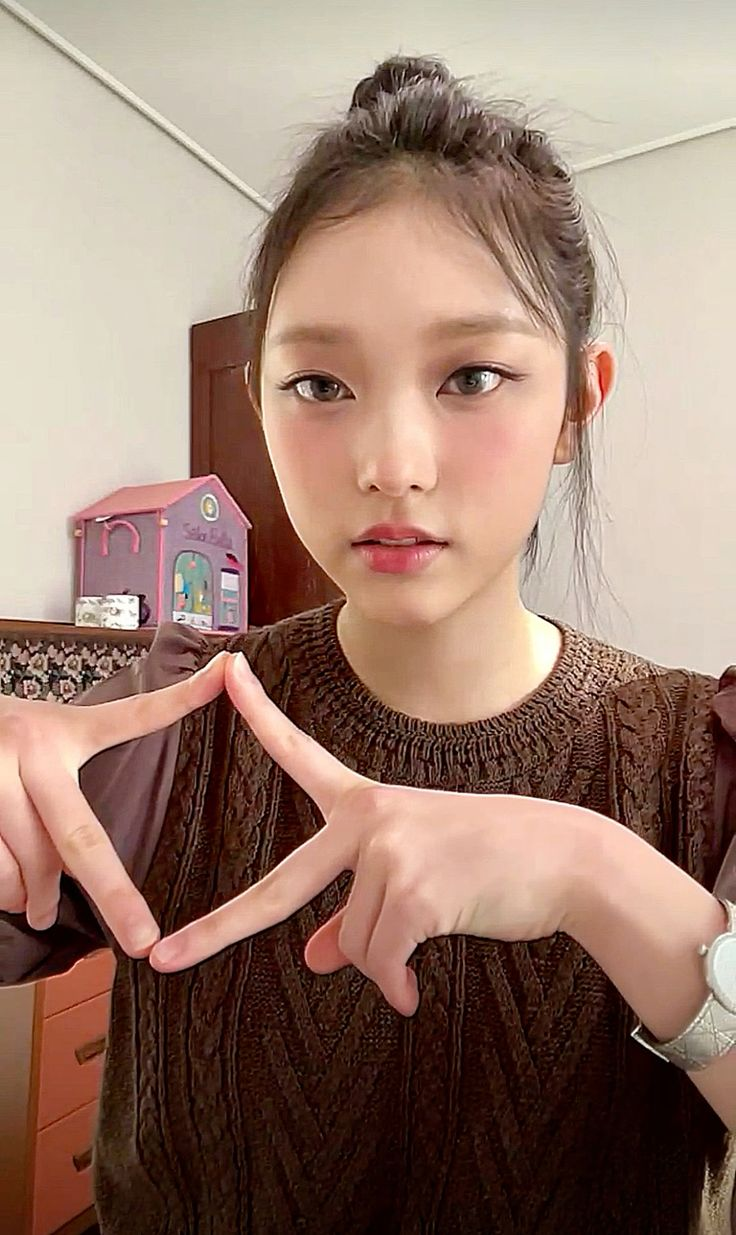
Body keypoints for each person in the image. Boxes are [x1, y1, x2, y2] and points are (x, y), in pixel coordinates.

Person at [1, 54, 736, 1235]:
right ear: (259, 401)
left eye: (472, 374)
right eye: (319, 384)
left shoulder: (701, 762)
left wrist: (597, 877)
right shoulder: (181, 715)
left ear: (574, 404)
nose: (390, 462)